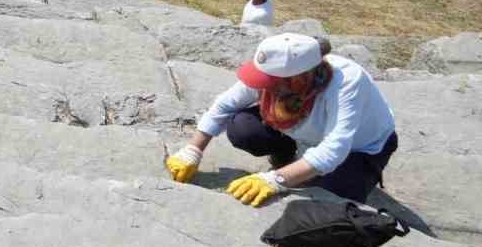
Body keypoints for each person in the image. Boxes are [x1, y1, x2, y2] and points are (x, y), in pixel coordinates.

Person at [165, 34, 398, 206]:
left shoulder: (347, 82)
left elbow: (334, 150)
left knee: (333, 199)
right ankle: (290, 159)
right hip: (302, 135)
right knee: (243, 128)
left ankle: (312, 171)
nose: (261, 85)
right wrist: (193, 150)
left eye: (269, 81)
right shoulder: (279, 74)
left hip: (358, 149)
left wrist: (277, 179)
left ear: (299, 78)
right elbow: (226, 104)